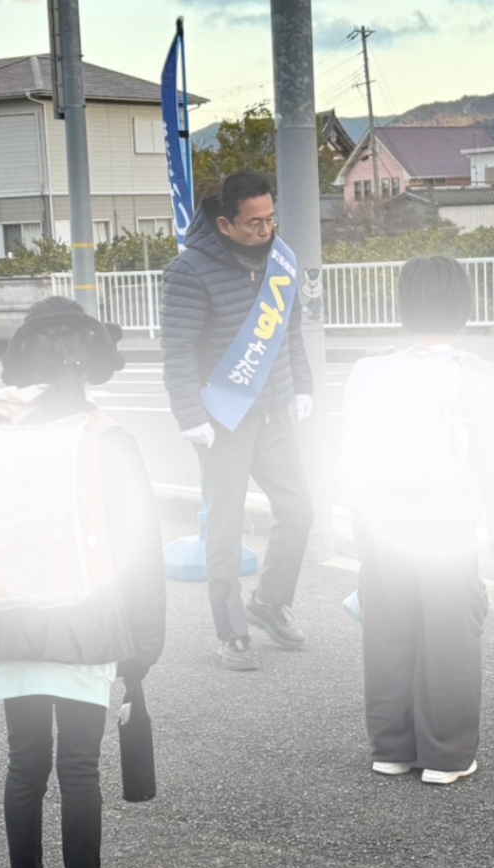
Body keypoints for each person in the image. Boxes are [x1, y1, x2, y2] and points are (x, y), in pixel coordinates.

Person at [0, 295, 166, 868]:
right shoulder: (106, 441)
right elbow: (140, 553)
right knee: (77, 768)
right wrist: (143, 647)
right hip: (84, 623)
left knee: (24, 765)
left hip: (6, 621)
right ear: (87, 364)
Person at [344, 256, 494, 784]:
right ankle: (445, 755)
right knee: (449, 637)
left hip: (381, 521)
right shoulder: (469, 371)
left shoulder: (372, 370)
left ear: (403, 305)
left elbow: (350, 454)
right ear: (463, 306)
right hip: (443, 526)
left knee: (387, 633)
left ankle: (391, 748)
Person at [160, 170, 315, 671]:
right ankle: (231, 632)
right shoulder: (189, 271)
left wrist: (303, 386)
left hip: (273, 414)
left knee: (299, 509)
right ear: (225, 223)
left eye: (271, 219)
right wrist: (190, 416)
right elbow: (178, 351)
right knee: (224, 530)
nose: (266, 230)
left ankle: (269, 603)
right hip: (221, 419)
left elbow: (290, 331)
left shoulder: (279, 259)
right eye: (254, 223)